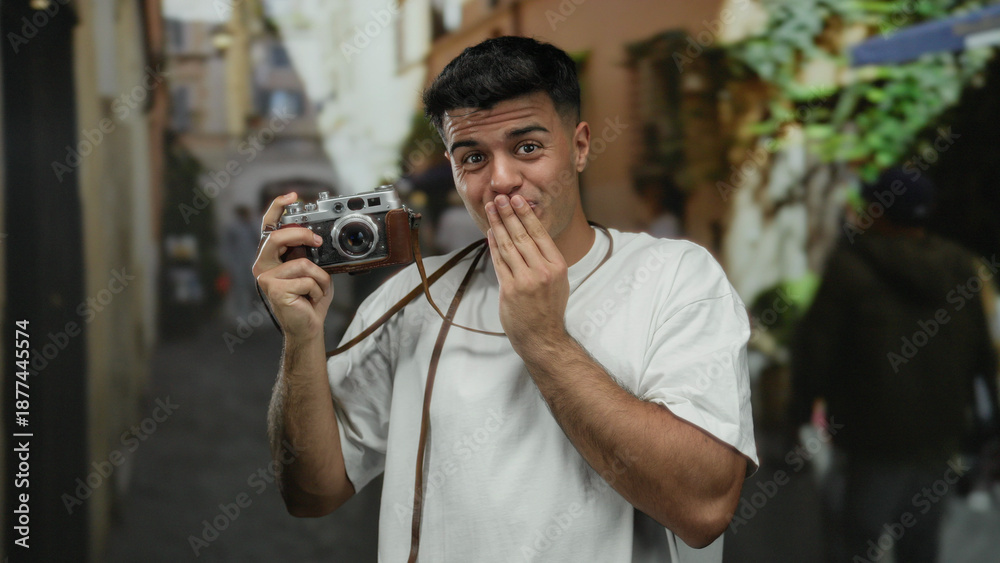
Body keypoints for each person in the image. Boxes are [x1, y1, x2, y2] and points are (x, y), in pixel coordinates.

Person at [253, 36, 757, 562]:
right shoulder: (409, 301)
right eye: (473, 157)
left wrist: (544, 340)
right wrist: (301, 339)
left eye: (528, 147)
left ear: (580, 146)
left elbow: (704, 509)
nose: (501, 180)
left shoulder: (675, 278)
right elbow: (311, 493)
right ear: (453, 170)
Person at [790, 167, 999, 563]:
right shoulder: (959, 266)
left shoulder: (850, 268)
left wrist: (798, 413)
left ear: (880, 212)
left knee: (854, 543)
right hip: (940, 435)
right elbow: (982, 355)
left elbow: (816, 349)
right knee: (921, 546)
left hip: (871, 439)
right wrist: (986, 423)